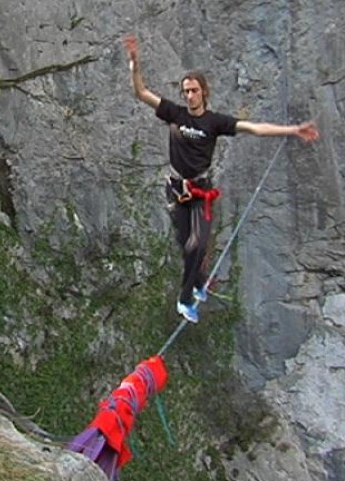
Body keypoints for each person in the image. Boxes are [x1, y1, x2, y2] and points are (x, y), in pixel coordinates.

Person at [124, 34, 320, 324]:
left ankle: (186, 297)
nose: (189, 96)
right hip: (176, 189)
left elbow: (255, 128)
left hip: (200, 191)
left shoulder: (214, 122)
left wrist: (291, 131)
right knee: (185, 244)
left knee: (197, 244)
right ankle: (200, 280)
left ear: (204, 92)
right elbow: (141, 92)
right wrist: (134, 64)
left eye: (193, 91)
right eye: (185, 91)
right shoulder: (174, 113)